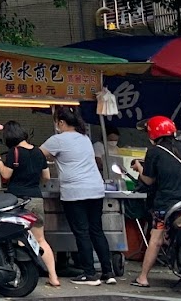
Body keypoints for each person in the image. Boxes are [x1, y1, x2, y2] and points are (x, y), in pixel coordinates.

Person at [42, 106, 116, 286]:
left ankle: (89, 274)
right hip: (95, 188)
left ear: (61, 122)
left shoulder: (58, 139)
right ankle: (108, 272)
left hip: (75, 191)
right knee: (96, 230)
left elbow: (36, 155)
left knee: (82, 232)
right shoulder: (84, 138)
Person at [130, 116, 181, 289]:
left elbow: (149, 180)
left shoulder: (154, 152)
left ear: (152, 134)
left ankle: (143, 277)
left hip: (167, 205)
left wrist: (139, 167)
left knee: (156, 239)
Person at [0, 120, 60, 287]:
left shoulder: (14, 152)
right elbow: (46, 177)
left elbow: (6, 175)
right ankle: (53, 276)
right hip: (36, 199)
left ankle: (25, 275)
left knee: (20, 240)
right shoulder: (38, 152)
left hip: (19, 201)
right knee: (40, 239)